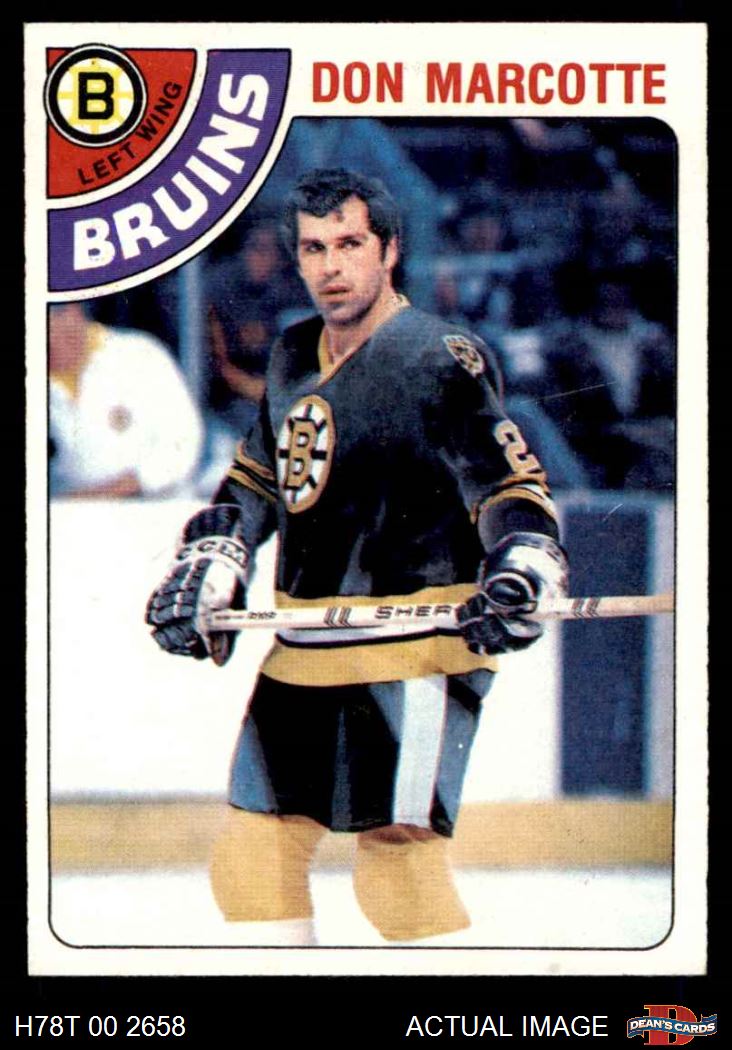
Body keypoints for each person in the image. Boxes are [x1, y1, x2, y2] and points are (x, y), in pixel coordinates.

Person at [145, 169, 568, 945]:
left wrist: (526, 558)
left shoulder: (439, 355)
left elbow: (506, 481)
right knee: (252, 862)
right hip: (303, 646)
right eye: (314, 248)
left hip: (419, 643)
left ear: (389, 249)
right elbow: (257, 478)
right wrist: (218, 552)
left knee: (396, 869)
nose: (331, 266)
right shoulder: (290, 353)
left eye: (349, 244)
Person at [49, 301, 203, 498]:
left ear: (75, 312)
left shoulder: (138, 354)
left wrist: (106, 493)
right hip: (64, 509)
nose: (55, 343)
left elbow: (182, 444)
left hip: (154, 505)